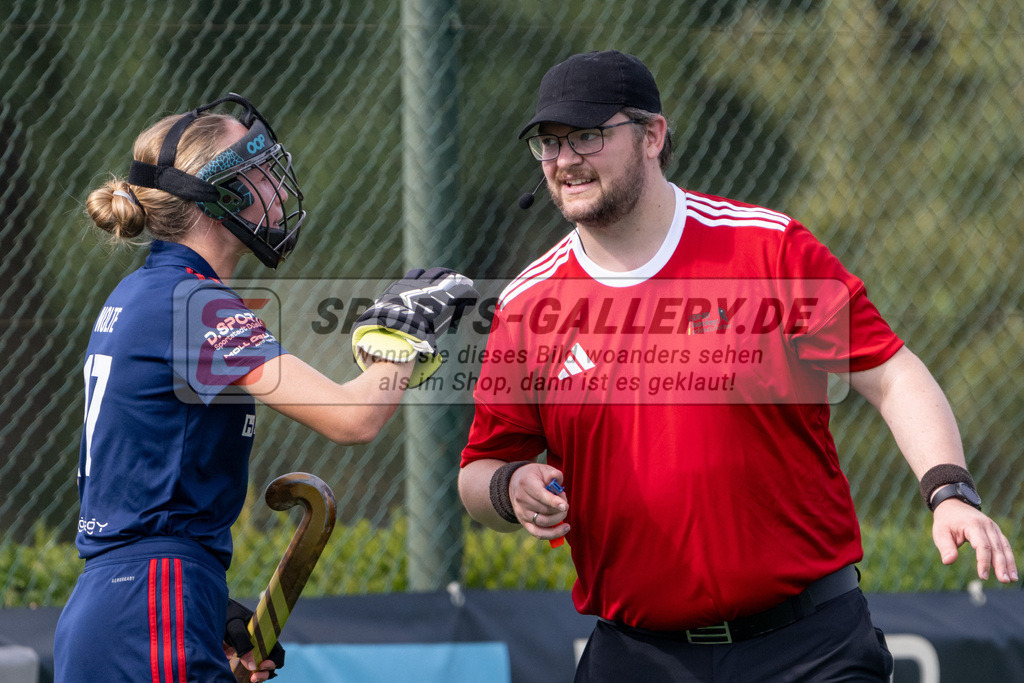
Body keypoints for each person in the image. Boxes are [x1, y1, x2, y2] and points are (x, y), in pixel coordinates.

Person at [458, 50, 1017, 681]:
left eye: (588, 135)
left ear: (652, 136)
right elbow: (477, 473)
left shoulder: (765, 247)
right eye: (549, 143)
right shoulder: (527, 305)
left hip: (809, 649)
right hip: (639, 656)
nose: (565, 160)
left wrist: (949, 492)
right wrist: (509, 490)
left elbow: (892, 373)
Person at [54, 94, 476, 682]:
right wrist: (398, 332)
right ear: (220, 195)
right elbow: (354, 418)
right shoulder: (190, 303)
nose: (277, 186)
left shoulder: (144, 291)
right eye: (259, 172)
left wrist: (207, 608)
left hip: (128, 602)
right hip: (150, 609)